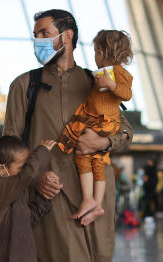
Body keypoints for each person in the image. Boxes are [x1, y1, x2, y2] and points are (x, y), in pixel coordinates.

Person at [3, 9, 133, 262]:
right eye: (36, 34)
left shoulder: (98, 81)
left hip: (94, 188)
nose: (38, 40)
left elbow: (126, 130)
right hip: (49, 193)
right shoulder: (23, 86)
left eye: (44, 32)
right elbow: (9, 144)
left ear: (68, 36)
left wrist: (104, 140)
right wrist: (34, 178)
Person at [58, 29, 133, 226]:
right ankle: (93, 202)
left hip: (105, 123)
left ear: (101, 52)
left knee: (91, 159)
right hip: (95, 121)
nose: (95, 57)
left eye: (95, 52)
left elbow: (127, 93)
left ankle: (91, 200)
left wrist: (110, 84)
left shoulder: (118, 73)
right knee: (91, 160)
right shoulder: (98, 76)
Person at [142, 157, 158, 223]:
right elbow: (145, 179)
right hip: (147, 189)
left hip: (152, 189)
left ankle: (150, 215)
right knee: (147, 203)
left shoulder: (153, 171)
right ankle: (147, 215)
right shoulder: (147, 170)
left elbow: (155, 180)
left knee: (151, 203)